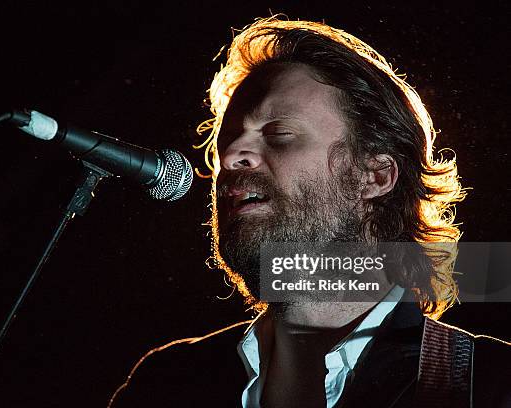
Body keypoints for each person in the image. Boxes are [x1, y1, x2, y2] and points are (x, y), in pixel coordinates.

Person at [198, 17, 510, 408]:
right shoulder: (165, 381)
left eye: (278, 133)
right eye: (227, 141)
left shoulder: (490, 387)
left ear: (374, 176)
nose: (229, 157)